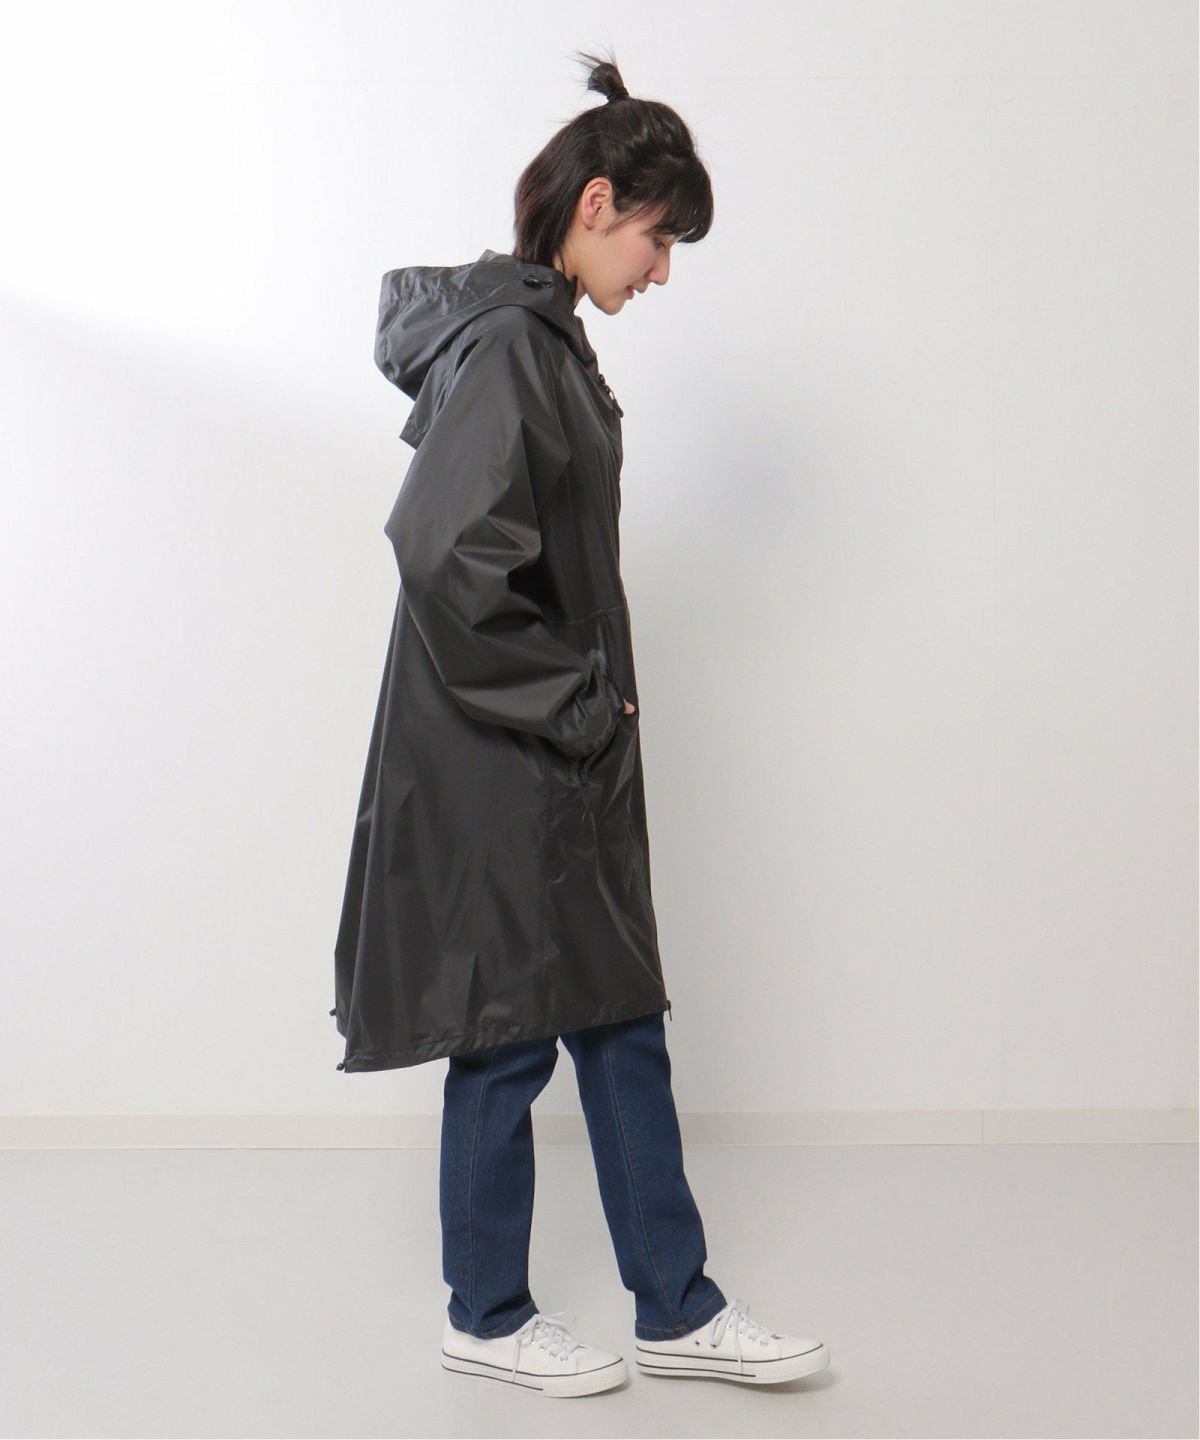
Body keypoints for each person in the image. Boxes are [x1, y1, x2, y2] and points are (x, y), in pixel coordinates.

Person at [331, 47, 831, 1396]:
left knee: (618, 1016)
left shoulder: (545, 344)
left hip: (559, 756)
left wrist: (588, 719)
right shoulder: (510, 349)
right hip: (505, 758)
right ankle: (486, 1316)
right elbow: (445, 555)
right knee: (506, 1031)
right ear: (599, 203)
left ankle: (676, 1305)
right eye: (659, 240)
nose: (661, 272)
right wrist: (575, 704)